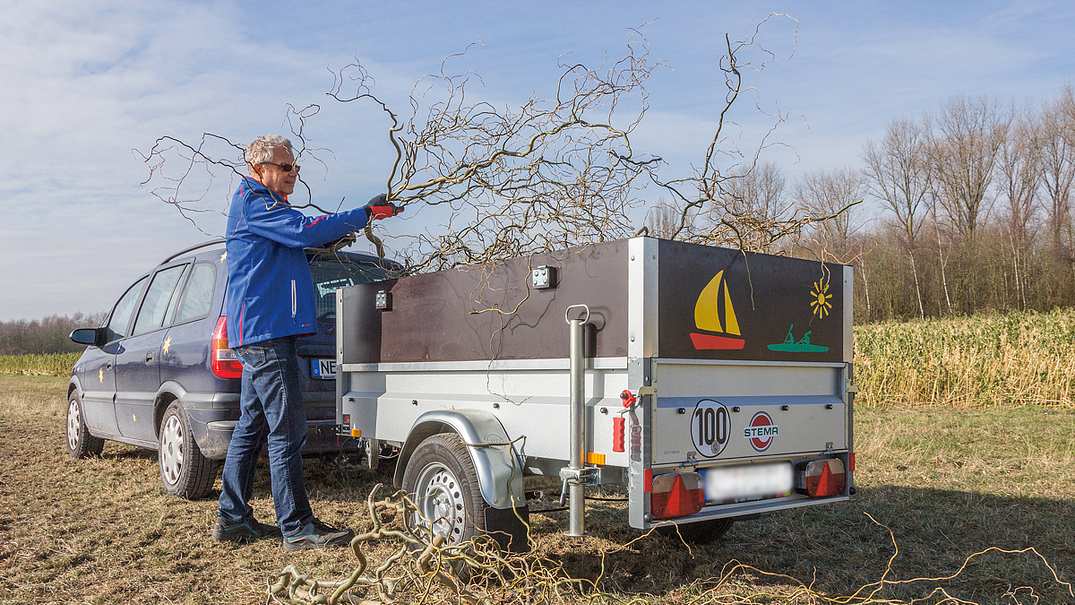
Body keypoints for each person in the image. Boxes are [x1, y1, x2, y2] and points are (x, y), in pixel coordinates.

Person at [212, 134, 401, 550]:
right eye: (285, 167)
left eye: (295, 167)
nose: (293, 173)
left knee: (254, 424)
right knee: (288, 430)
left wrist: (347, 228)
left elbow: (304, 239)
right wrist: (363, 213)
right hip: (267, 333)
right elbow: (302, 231)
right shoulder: (254, 202)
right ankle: (297, 527)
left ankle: (232, 517)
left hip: (263, 330)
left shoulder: (267, 207)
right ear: (259, 170)